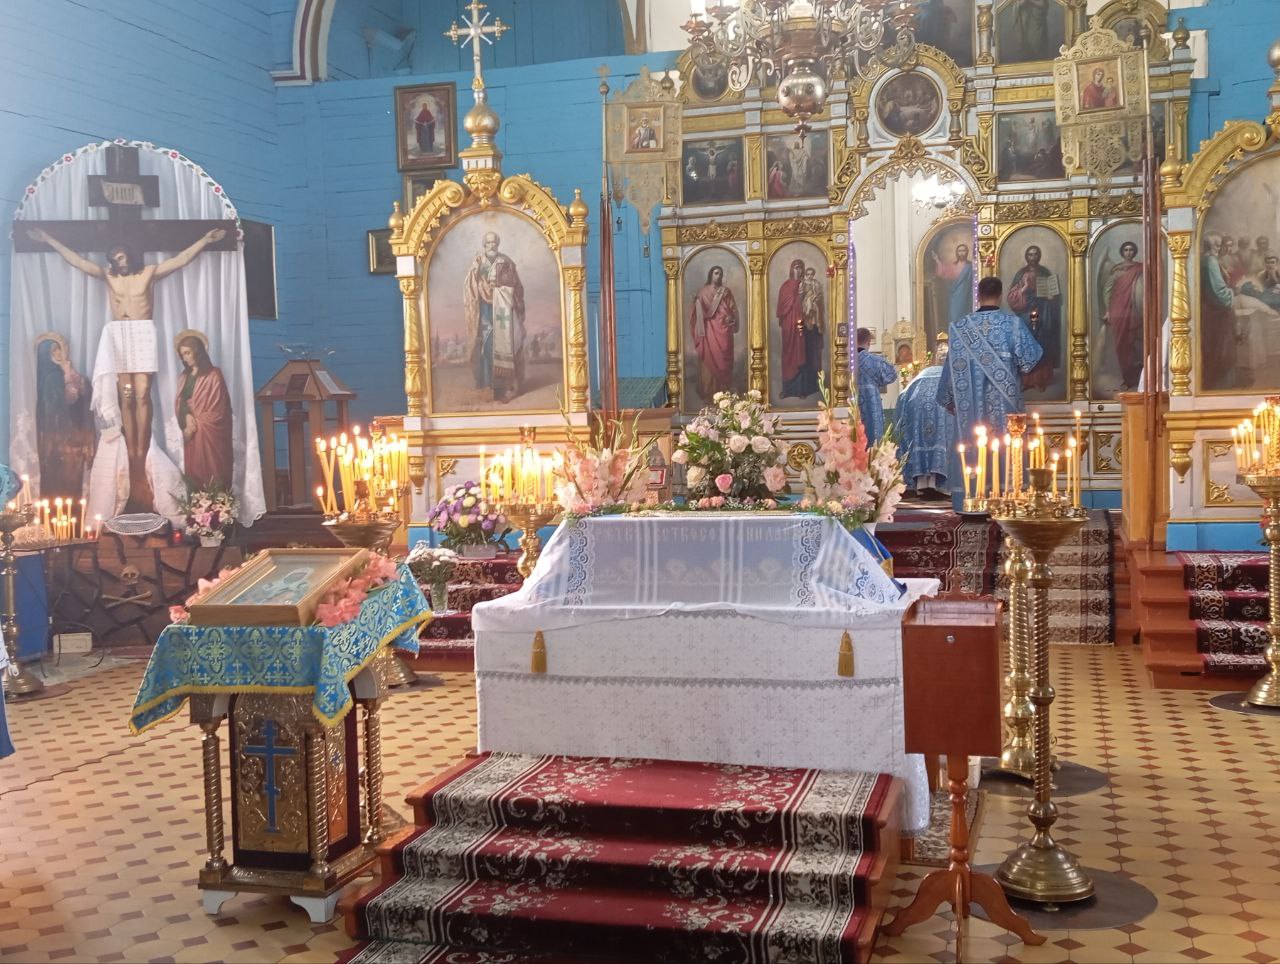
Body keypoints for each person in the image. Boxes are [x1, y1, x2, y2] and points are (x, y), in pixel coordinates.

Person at [26, 225, 226, 512]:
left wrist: (205, 239)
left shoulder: (148, 273)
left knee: (143, 393)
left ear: (130, 255)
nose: (119, 262)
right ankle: (132, 446)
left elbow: (180, 260)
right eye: (114, 258)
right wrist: (49, 239)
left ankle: (141, 445)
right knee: (127, 394)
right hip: (118, 334)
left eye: (121, 256)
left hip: (142, 332)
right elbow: (79, 262)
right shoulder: (109, 277)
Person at [937, 276, 1044, 502]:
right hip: (1006, 404)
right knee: (1006, 444)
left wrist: (949, 400)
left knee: (973, 444)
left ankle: (973, 499)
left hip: (970, 406)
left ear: (978, 295)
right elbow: (1029, 360)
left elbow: (949, 371)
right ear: (1001, 295)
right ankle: (1009, 499)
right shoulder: (1013, 325)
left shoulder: (959, 328)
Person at [463, 231, 526, 403]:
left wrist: (506, 293)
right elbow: (470, 286)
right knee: (487, 346)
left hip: (503, 310)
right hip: (484, 310)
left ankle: (503, 388)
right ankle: (486, 386)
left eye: (494, 242)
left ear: (498, 244)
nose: (491, 245)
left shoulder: (506, 261)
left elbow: (516, 286)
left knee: (505, 347)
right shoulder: (478, 262)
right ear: (484, 244)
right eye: (488, 242)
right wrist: (482, 287)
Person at [896, 333, 956, 499]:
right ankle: (941, 484)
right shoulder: (951, 375)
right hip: (943, 407)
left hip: (917, 408)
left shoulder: (923, 374)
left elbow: (903, 397)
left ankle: (923, 483)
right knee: (944, 439)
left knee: (919, 438)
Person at [34, 333, 92, 499]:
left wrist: (74, 378)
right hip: (56, 441)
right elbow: (65, 401)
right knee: (57, 483)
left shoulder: (68, 373)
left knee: (73, 483)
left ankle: (73, 512)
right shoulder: (51, 378)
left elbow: (83, 397)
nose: (59, 353)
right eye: (54, 351)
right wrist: (67, 378)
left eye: (60, 349)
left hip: (75, 439)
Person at [174, 332, 234, 489]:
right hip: (190, 431)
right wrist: (187, 417)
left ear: (198, 351)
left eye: (188, 353)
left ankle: (217, 501)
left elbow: (220, 410)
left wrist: (198, 423)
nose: (185, 358)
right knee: (194, 470)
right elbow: (181, 401)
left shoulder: (214, 375)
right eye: (182, 355)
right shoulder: (184, 377)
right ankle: (197, 502)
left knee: (213, 471)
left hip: (209, 432)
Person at [1005, 244, 1062, 391]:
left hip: (1044, 311)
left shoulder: (1045, 272)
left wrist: (1052, 298)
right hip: (1025, 313)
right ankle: (1027, 380)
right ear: (1026, 256)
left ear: (1039, 256)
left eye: (1035, 254)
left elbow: (1056, 295)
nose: (1033, 257)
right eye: (1030, 254)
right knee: (1026, 343)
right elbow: (1013, 296)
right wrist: (1024, 289)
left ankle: (1040, 380)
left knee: (1042, 343)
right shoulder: (1021, 274)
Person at [690, 265, 740, 400]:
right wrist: (696, 304)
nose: (718, 276)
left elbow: (733, 309)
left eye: (720, 274)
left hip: (724, 329)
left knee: (724, 356)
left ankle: (724, 390)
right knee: (709, 357)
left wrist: (731, 318)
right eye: (716, 273)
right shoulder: (703, 292)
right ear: (711, 274)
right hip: (709, 331)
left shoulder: (725, 292)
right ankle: (709, 391)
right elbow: (697, 313)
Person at [1101, 241, 1145, 390]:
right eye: (1126, 250)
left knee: (1133, 342)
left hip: (1133, 309)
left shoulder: (1139, 267)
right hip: (1117, 309)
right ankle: (1126, 377)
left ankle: (1135, 377)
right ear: (1122, 252)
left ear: (1134, 251)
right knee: (1121, 344)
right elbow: (1107, 291)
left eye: (1131, 250)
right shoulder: (1117, 270)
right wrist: (1108, 310)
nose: (1128, 252)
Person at [777, 260, 823, 399]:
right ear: (792, 270)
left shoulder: (808, 284)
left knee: (806, 354)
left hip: (806, 326)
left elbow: (816, 300)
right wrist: (797, 297)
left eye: (801, 268)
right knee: (789, 355)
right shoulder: (786, 286)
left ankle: (804, 390)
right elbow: (782, 308)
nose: (799, 271)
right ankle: (788, 390)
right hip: (790, 326)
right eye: (796, 268)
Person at [1200, 234, 1238, 390]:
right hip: (1217, 313)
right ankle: (1221, 386)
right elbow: (1219, 292)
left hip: (1210, 312)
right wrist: (1232, 294)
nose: (1220, 248)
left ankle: (1215, 384)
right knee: (1221, 348)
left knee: (1214, 348)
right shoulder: (1210, 261)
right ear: (1212, 246)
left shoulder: (1205, 259)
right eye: (1218, 244)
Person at [856, 328, 897, 443]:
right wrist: (878, 382)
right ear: (868, 342)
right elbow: (892, 374)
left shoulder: (846, 360)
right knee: (873, 443)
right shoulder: (876, 361)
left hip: (852, 405)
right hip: (871, 405)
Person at [930, 242, 974, 348]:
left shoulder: (970, 267)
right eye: (960, 251)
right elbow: (942, 273)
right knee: (954, 318)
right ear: (956, 253)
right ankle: (954, 340)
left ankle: (966, 341)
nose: (962, 253)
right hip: (954, 297)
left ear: (967, 252)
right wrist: (937, 260)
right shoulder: (952, 266)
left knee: (965, 318)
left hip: (966, 297)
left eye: (963, 250)